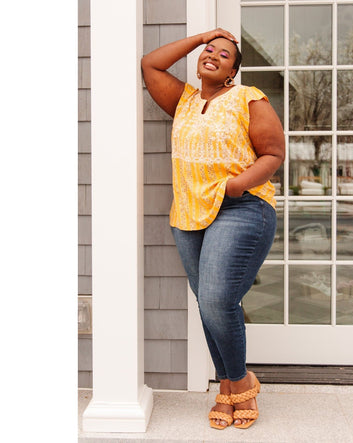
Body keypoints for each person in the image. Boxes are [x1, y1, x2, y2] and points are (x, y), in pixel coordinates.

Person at [141, 28, 285, 430]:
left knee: (218, 298)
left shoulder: (247, 98)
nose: (213, 54)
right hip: (188, 213)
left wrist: (237, 184)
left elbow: (274, 152)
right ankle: (228, 385)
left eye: (224, 54)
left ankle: (239, 385)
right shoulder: (184, 101)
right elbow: (150, 64)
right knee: (209, 302)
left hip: (240, 207)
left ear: (232, 72)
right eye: (209, 50)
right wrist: (201, 35)